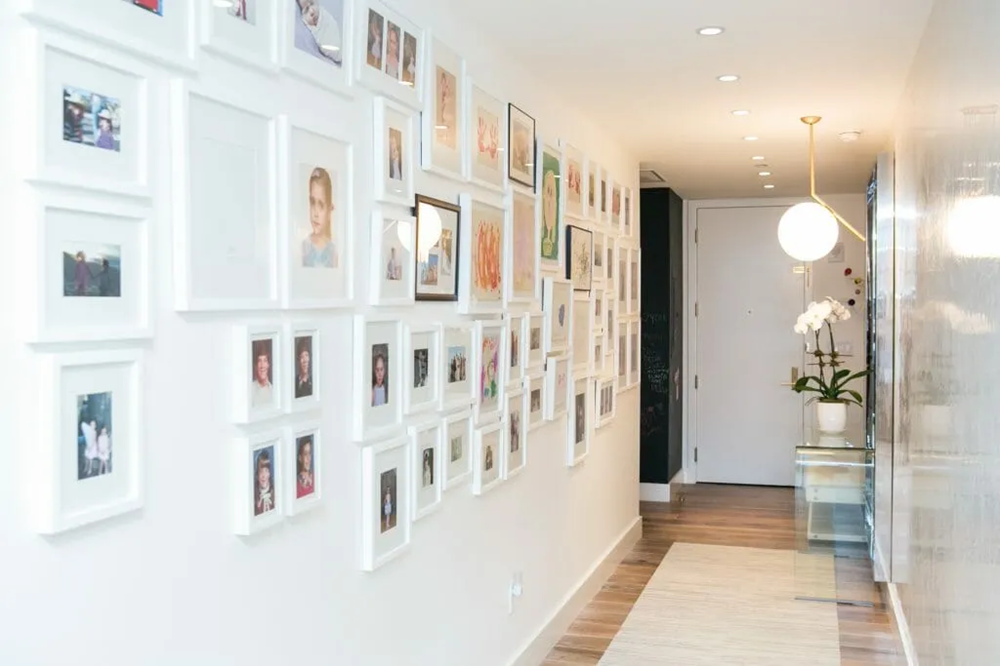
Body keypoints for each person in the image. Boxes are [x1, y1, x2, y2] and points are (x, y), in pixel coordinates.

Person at [301, 167, 337, 268]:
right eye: (313, 203)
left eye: (321, 205)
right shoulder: (303, 247)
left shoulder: (333, 252)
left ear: (330, 209)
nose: (315, 213)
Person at [251, 341, 273, 407]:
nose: (262, 366)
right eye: (259, 361)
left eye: (265, 360)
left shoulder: (274, 391)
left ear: (268, 365)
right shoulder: (250, 390)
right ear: (255, 366)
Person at [254, 450, 274, 515]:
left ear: (269, 473)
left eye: (266, 471)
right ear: (257, 474)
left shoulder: (275, 493)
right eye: (261, 471)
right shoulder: (254, 495)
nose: (263, 476)